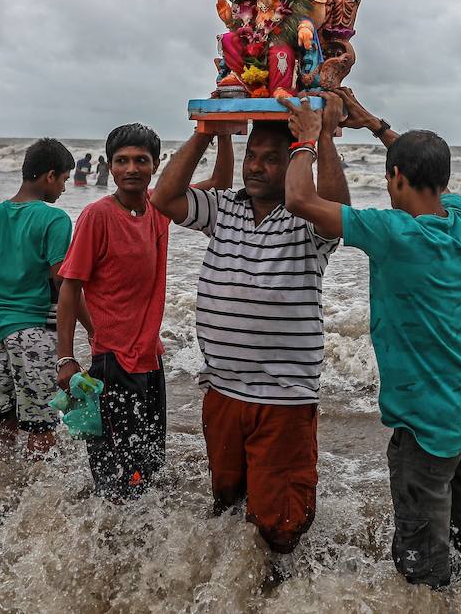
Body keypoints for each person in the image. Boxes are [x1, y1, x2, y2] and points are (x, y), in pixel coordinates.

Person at [282, 90, 461, 589]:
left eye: (390, 179)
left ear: (396, 179)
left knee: (421, 563)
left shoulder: (394, 232)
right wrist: (377, 126)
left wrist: (308, 140)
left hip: (427, 429)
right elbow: (423, 170)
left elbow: (299, 200)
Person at [150, 114, 350, 557]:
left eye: (272, 159)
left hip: (282, 399)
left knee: (280, 526)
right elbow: (164, 198)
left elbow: (340, 216)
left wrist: (319, 138)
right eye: (252, 156)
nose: (256, 167)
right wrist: (206, 131)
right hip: (221, 390)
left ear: (296, 161)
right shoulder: (224, 207)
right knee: (226, 504)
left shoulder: (307, 217)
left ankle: (279, 594)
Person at [54, 125, 232, 499]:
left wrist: (222, 132)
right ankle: (103, 543)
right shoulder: (96, 216)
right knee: (114, 472)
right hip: (112, 363)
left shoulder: (159, 206)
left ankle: (138, 546)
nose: (131, 168)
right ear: (111, 165)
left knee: (148, 466)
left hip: (150, 360)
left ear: (155, 165)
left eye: (140, 160)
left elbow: (220, 182)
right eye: (122, 161)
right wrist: (65, 359)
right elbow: (70, 287)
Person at [0, 138, 75, 456]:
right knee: (41, 427)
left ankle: (1, 490)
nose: (64, 188)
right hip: (33, 330)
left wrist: (3, 266)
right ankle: (35, 498)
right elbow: (63, 280)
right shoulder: (54, 219)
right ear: (50, 175)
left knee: (1, 428)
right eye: (64, 179)